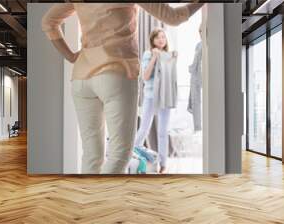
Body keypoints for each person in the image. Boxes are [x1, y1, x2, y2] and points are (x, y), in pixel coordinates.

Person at [42, 3, 203, 174]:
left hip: (81, 78)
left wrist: (72, 56)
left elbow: (48, 22)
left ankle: (91, 199)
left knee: (91, 155)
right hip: (115, 74)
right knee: (119, 155)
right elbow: (173, 17)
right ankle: (107, 200)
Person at [134, 28, 175, 174]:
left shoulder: (169, 56)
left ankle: (163, 164)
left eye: (163, 37)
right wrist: (154, 58)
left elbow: (170, 79)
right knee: (144, 127)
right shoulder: (148, 53)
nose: (161, 40)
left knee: (163, 131)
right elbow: (145, 77)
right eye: (158, 37)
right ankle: (133, 155)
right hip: (151, 96)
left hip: (165, 97)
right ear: (152, 40)